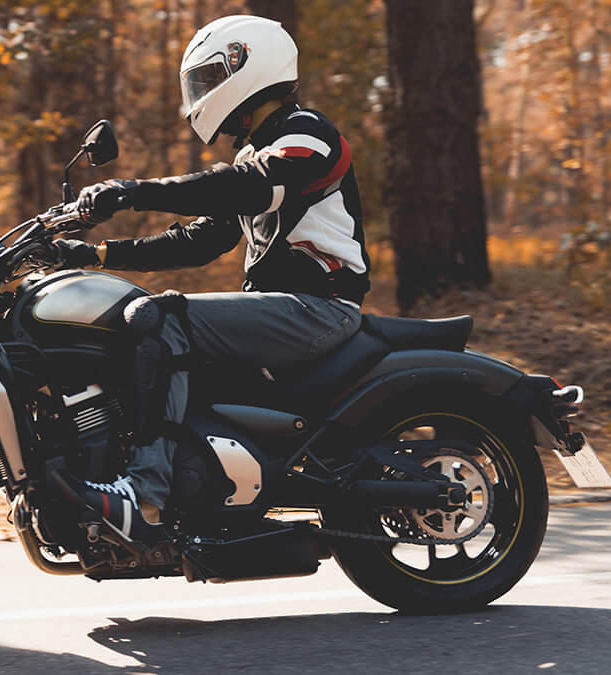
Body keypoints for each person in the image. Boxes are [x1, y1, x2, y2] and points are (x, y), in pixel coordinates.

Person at [50, 15, 370, 545]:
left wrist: (132, 191)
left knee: (159, 317)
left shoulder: (310, 134)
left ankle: (144, 497)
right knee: (136, 328)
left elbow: (245, 186)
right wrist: (97, 253)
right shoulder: (254, 155)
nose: (199, 96)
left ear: (246, 66)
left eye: (205, 79)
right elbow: (200, 239)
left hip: (319, 307)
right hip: (282, 307)